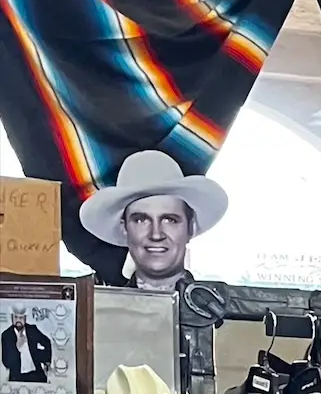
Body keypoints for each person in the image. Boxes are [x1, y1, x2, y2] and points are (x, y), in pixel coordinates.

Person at [78, 147, 229, 291]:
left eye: (170, 220)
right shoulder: (103, 312)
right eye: (141, 220)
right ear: (124, 228)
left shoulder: (214, 310)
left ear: (190, 227)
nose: (156, 234)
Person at [2, 304, 51, 382]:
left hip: (36, 374)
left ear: (25, 318)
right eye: (15, 317)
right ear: (12, 317)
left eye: (21, 317)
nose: (18, 320)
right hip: (17, 377)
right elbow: (6, 363)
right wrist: (17, 348)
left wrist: (45, 360)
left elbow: (47, 342)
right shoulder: (6, 335)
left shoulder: (32, 330)